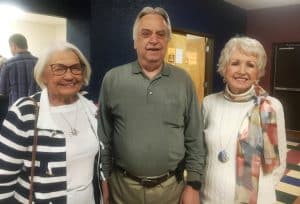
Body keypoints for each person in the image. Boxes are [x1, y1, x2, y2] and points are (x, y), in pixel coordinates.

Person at [98, 6, 206, 204]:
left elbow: (195, 137)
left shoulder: (184, 81)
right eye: (145, 34)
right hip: (122, 189)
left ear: (167, 40)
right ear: (135, 42)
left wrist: (193, 184)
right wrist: (103, 180)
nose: (153, 40)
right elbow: (103, 137)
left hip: (171, 190)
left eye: (161, 34)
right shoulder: (112, 79)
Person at [0, 42, 102, 204]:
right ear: (43, 75)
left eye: (76, 68)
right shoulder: (25, 112)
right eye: (59, 69)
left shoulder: (89, 106)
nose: (69, 76)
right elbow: (3, 180)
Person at [201, 36, 287, 204]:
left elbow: (279, 164)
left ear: (259, 71)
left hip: (257, 199)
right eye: (235, 63)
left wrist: (260, 191)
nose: (242, 71)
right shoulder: (208, 103)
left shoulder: (271, 106)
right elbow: (201, 154)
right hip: (210, 196)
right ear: (225, 68)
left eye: (250, 65)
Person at [0, 33, 39, 107]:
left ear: (13, 45)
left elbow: (3, 91)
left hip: (17, 108)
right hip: (36, 106)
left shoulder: (7, 64)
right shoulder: (39, 62)